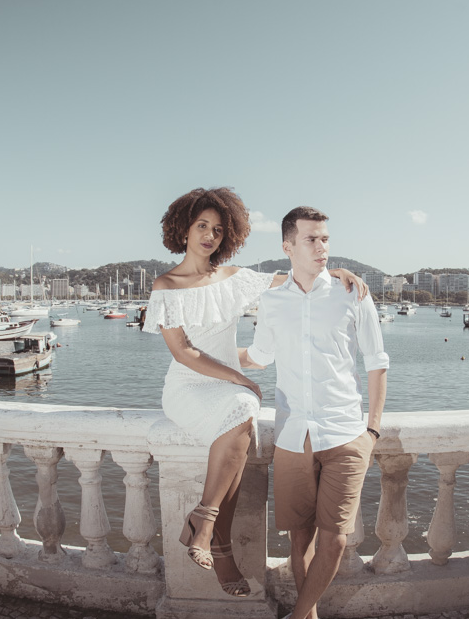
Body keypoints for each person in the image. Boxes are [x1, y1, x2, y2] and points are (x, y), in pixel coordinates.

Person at [143, 189, 367, 597]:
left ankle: (208, 527)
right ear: (183, 228)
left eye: (217, 229)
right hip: (189, 386)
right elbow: (184, 352)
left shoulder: (235, 278)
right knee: (244, 407)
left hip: (228, 384)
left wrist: (336, 273)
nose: (209, 236)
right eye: (201, 226)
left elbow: (294, 276)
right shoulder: (166, 285)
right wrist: (238, 377)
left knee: (240, 425)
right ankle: (212, 532)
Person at [241, 205, 388, 619]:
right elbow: (260, 356)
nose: (322, 247)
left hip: (345, 433)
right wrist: (199, 352)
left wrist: (373, 430)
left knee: (335, 541)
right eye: (312, 240)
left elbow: (377, 362)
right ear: (288, 246)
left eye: (325, 239)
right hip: (291, 434)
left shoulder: (352, 293)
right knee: (298, 538)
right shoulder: (273, 300)